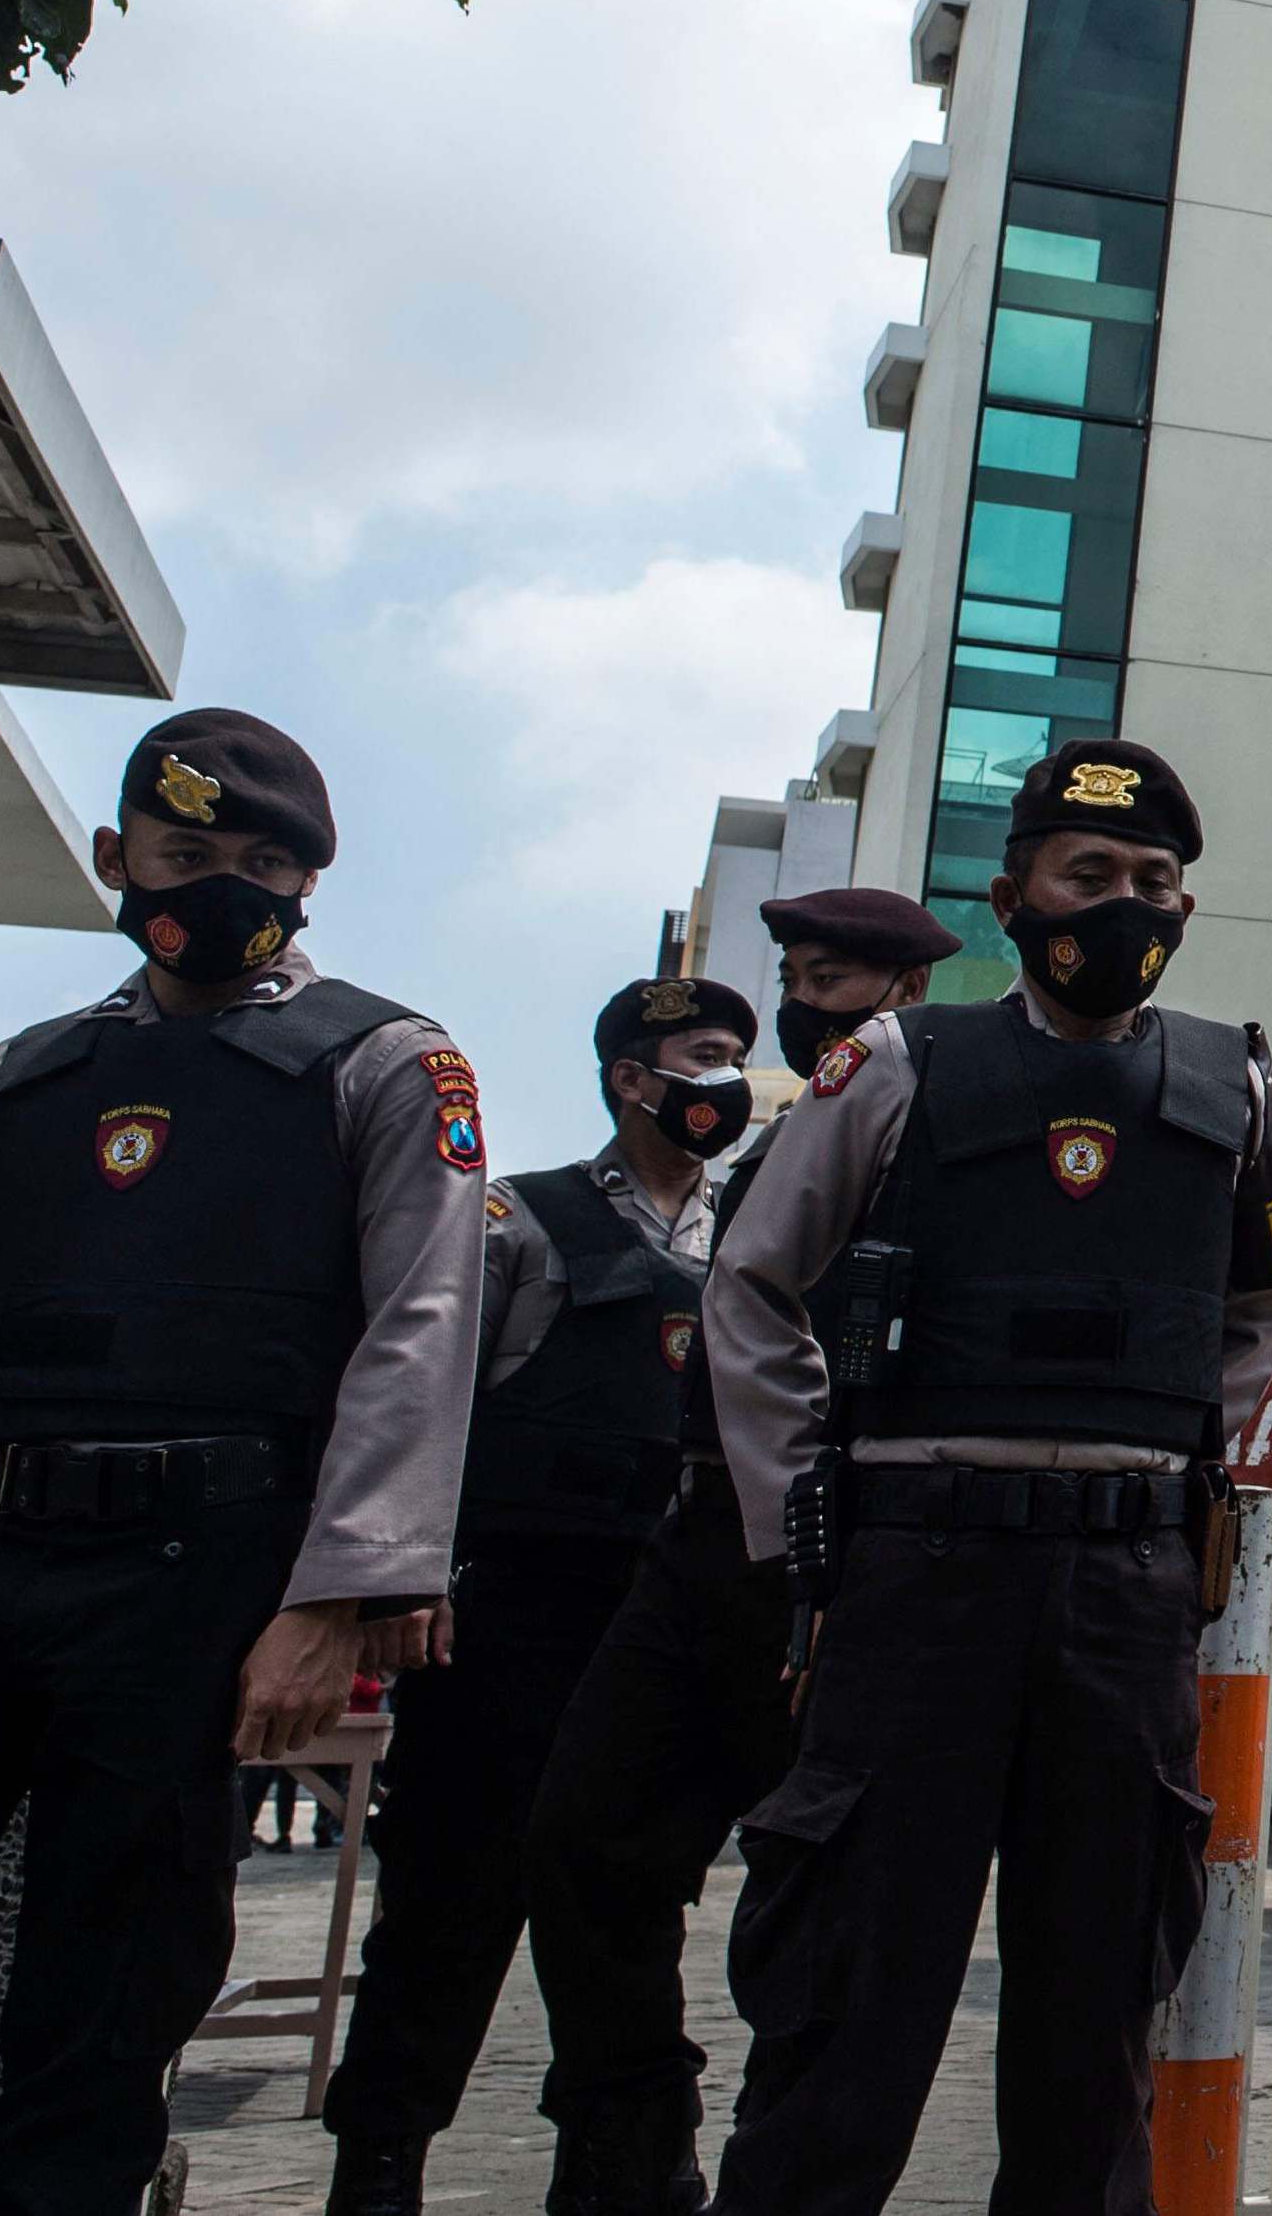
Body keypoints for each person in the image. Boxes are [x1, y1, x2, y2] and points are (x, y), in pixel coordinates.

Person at [0, 711, 488, 2216]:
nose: (223, 884)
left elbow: (423, 1331)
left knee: (89, 2049)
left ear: (311, 885)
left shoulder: (387, 1063)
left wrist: (335, 1596)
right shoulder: (15, 1080)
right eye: (188, 853)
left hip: (191, 1587)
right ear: (113, 859)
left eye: (265, 862)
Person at [699, 744, 1272, 2216]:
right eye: (1086, 875)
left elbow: (1267, 1297)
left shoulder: (1233, 1075)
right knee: (850, 2000)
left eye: (1152, 883)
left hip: (1125, 1591)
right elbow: (754, 1286)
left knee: (1098, 2021)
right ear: (1011, 892)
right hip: (919, 1575)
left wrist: (1168, 1449)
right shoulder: (900, 1062)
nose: (1122, 905)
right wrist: (801, 1518)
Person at [523, 885, 961, 2216]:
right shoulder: (770, 1149)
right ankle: (627, 2147)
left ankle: (781, 2176)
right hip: (700, 1537)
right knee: (585, 1842)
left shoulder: (930, 1140)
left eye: (837, 979)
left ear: (901, 999)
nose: (808, 1003)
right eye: (798, 975)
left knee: (814, 1906)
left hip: (831, 1558)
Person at [317, 970, 760, 2212]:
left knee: (625, 1905)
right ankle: (383, 2155)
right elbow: (427, 1396)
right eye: (705, 1054)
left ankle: (618, 2164)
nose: (724, 1081)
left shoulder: (750, 1233)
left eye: (734, 1057)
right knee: (451, 1897)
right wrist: (410, 1564)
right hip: (510, 1606)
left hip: (661, 1616)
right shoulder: (523, 1216)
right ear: (633, 1075)